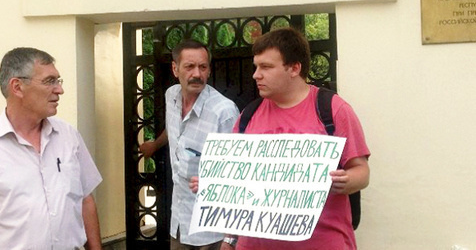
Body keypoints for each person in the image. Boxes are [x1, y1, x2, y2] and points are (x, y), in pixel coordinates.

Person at [190, 28, 370, 250]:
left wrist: (345, 181)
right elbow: (238, 186)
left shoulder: (333, 110)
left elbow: (362, 172)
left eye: (266, 67)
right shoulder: (248, 115)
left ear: (294, 68)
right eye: (256, 66)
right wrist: (216, 187)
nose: (256, 74)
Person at [0, 47, 103, 250]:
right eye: (49, 81)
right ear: (17, 87)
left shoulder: (69, 136)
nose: (59, 90)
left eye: (58, 81)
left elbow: (85, 200)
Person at [140, 39, 240, 250]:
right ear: (175, 69)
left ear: (209, 70)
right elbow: (175, 128)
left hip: (211, 231)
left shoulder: (224, 112)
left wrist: (230, 239)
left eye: (203, 67)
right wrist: (155, 144)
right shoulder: (171, 96)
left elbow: (238, 172)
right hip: (179, 222)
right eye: (189, 66)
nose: (197, 74)